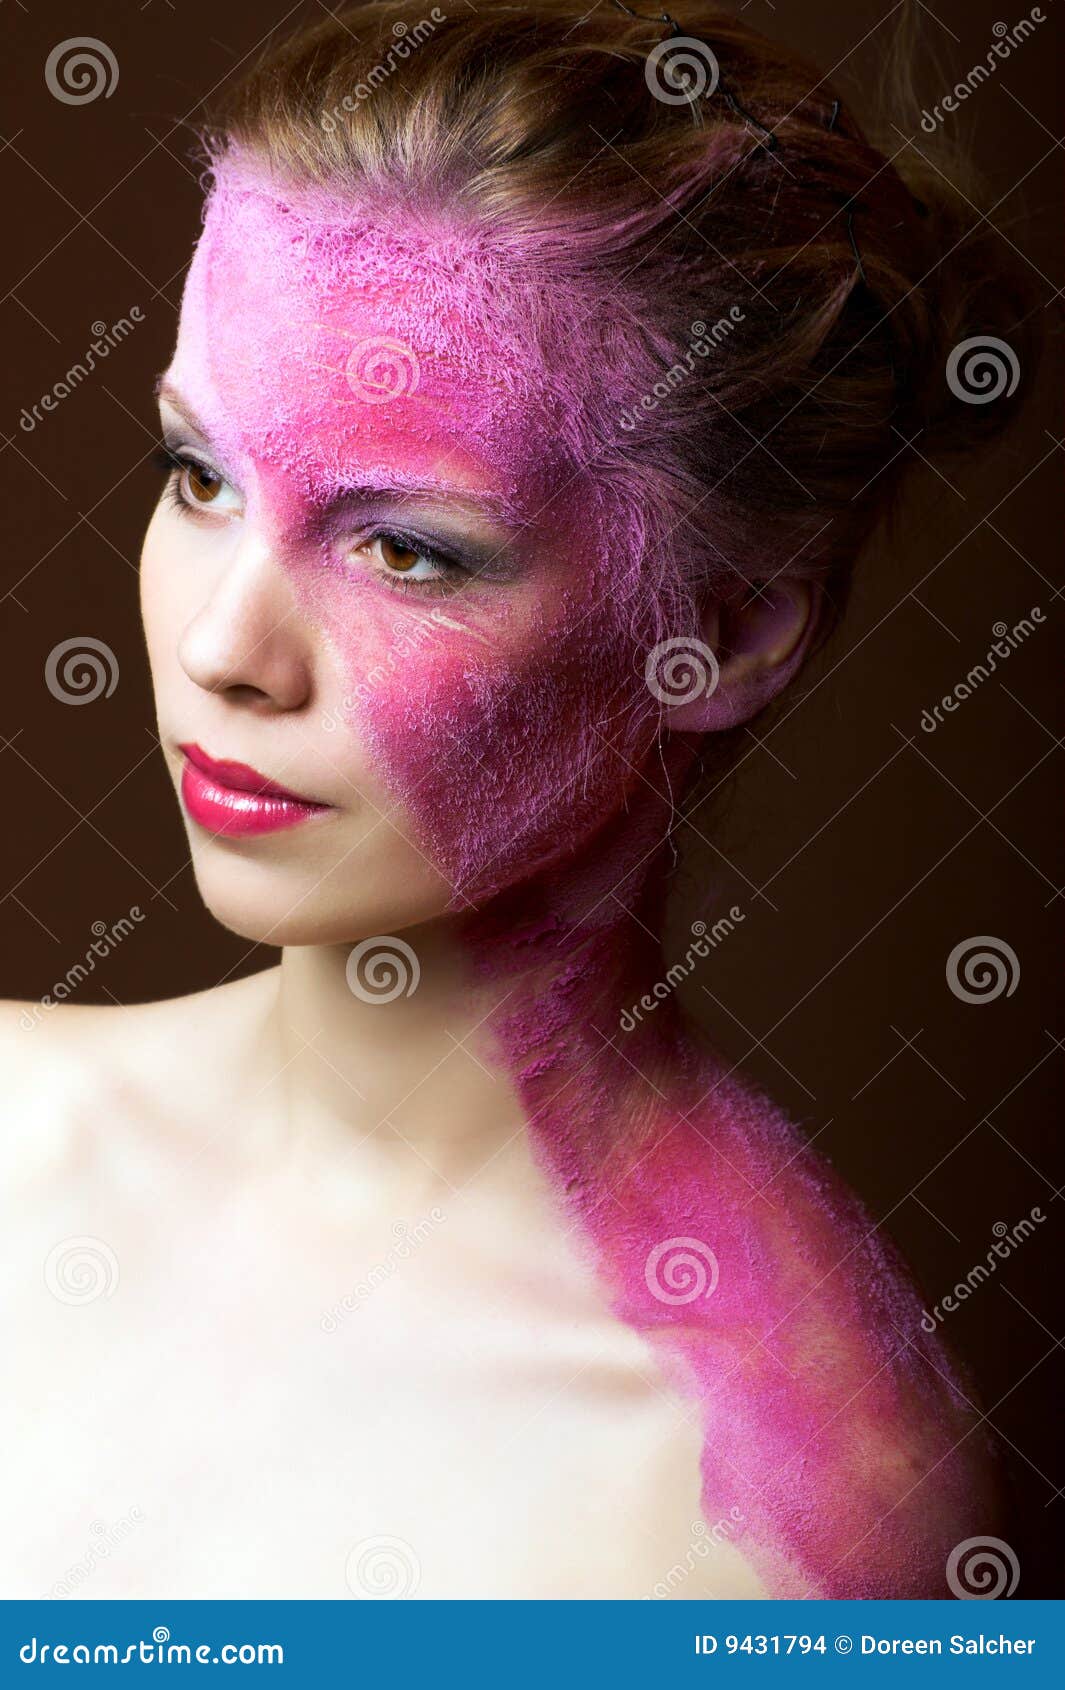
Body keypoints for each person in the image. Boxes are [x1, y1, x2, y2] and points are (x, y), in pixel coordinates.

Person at [1, 0, 1021, 1599]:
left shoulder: (769, 1517)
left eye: (406, 546)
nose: (221, 649)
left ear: (732, 629)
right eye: (199, 476)